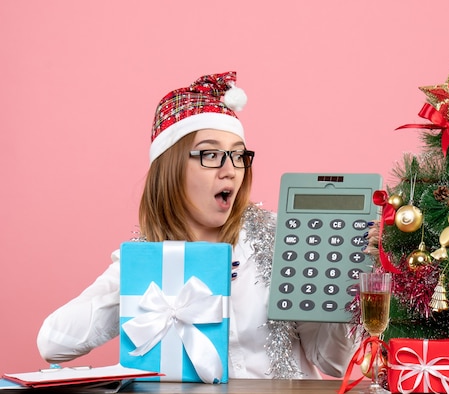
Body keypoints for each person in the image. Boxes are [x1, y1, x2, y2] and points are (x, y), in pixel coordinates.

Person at [37, 71, 358, 379]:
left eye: (237, 156)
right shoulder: (144, 257)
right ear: (171, 169)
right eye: (210, 155)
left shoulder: (282, 239)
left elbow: (334, 362)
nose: (230, 170)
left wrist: (339, 281)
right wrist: (144, 278)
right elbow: (53, 343)